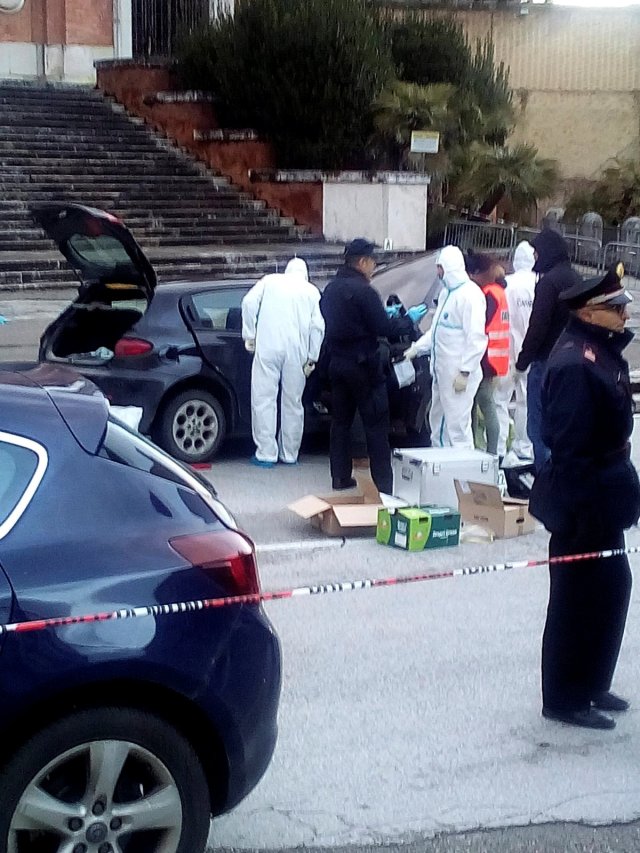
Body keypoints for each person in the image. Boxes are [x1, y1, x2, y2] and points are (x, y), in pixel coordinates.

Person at [529, 263, 640, 730]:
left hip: (604, 490)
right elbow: (571, 445)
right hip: (583, 497)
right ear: (592, 314)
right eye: (615, 309)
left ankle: (593, 681)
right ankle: (563, 695)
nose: (623, 315)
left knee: (612, 588)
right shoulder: (576, 363)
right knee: (575, 599)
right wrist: (580, 511)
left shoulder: (597, 350)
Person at [319, 238, 427, 493]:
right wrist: (407, 321)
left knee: (341, 423)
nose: (374, 266)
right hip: (364, 366)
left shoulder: (331, 289)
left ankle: (340, 477)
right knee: (376, 425)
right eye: (372, 261)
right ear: (362, 262)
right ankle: (384, 484)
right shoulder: (365, 291)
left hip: (337, 363)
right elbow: (384, 328)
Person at [241, 257, 325, 467]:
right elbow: (318, 327)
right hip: (297, 352)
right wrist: (312, 357)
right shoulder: (311, 291)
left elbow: (248, 303)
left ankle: (266, 453)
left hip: (268, 346)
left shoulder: (269, 281)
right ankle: (290, 454)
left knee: (263, 400)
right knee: (293, 403)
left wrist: (249, 335)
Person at [404, 245, 487, 449]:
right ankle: (440, 467)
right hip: (442, 373)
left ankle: (462, 472)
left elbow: (476, 338)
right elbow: (437, 331)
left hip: (458, 376)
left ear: (451, 267)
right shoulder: (446, 295)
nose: (438, 273)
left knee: (457, 426)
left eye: (441, 268)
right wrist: (416, 348)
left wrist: (465, 371)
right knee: (438, 420)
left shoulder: (470, 296)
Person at [515, 229, 581, 471]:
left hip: (545, 362)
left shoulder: (548, 283)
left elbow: (538, 325)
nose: (535, 257)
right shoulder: (576, 279)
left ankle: (545, 479)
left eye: (537, 252)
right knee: (561, 426)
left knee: (538, 426)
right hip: (572, 362)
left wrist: (522, 361)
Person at [494, 241, 537, 462]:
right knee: (526, 401)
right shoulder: (539, 283)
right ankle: (524, 445)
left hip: (506, 352)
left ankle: (501, 446)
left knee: (500, 399)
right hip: (531, 350)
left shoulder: (507, 285)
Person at [465, 251, 510, 456]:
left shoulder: (488, 294)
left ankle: (491, 453)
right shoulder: (498, 291)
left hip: (486, 358)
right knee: (479, 403)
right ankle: (484, 448)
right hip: (495, 357)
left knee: (484, 403)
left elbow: (479, 325)